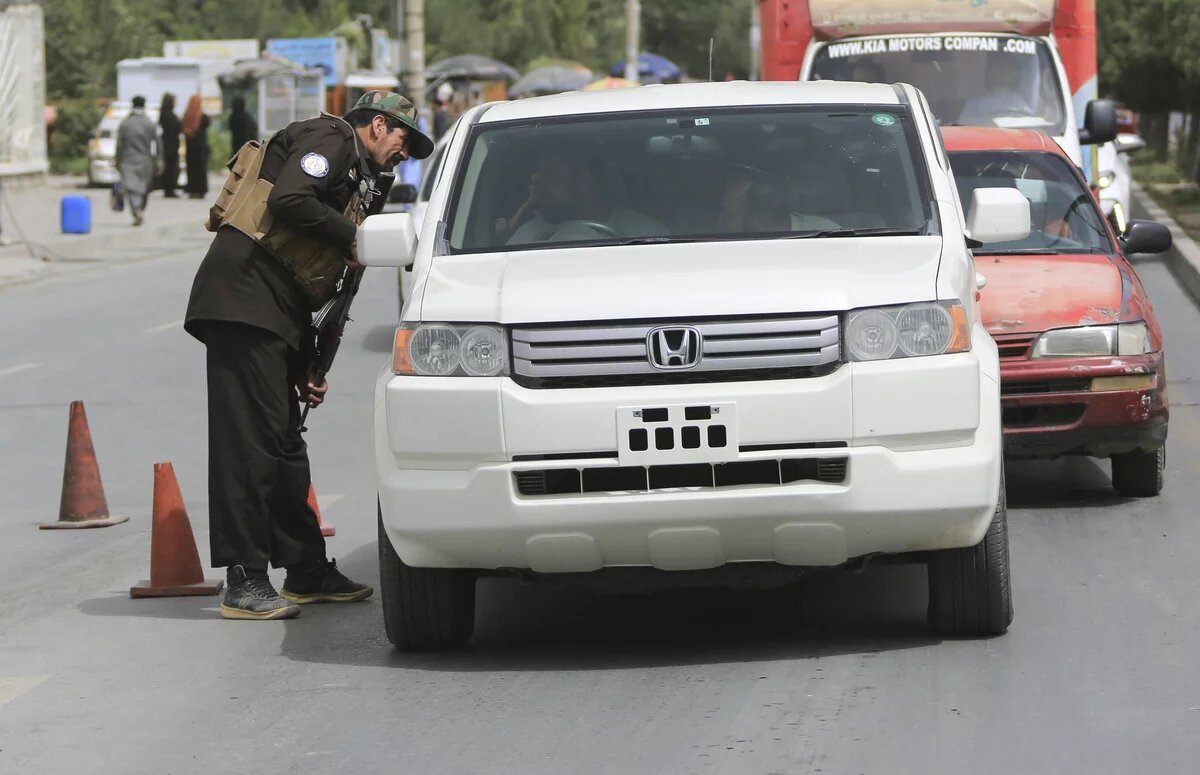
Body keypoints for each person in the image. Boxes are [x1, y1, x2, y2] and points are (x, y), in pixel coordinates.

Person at [184, 91, 434, 621]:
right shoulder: (332, 139)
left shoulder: (366, 183)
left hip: (279, 311)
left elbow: (340, 285)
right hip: (243, 299)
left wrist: (311, 366)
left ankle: (305, 569)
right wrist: (357, 236)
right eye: (402, 139)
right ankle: (244, 579)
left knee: (283, 444)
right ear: (376, 127)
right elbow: (289, 199)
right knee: (249, 445)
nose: (404, 153)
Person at [503, 149, 665, 244]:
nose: (541, 188)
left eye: (552, 175)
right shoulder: (529, 236)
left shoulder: (645, 232)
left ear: (584, 181)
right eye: (539, 179)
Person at [115, 95, 158, 226]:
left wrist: (117, 160)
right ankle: (139, 210)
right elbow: (157, 143)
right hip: (146, 160)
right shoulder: (149, 123)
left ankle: (137, 210)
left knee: (131, 188)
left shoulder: (125, 123)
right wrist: (159, 160)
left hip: (128, 159)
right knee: (143, 188)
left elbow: (119, 144)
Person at [182, 95, 210, 199]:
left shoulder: (186, 116)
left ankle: (192, 190)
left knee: (191, 168)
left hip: (190, 146)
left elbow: (183, 128)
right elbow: (207, 124)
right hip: (200, 146)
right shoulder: (202, 117)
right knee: (201, 168)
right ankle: (200, 190)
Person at [158, 93, 181, 198]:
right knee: (171, 168)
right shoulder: (169, 116)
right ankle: (169, 189)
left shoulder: (165, 114)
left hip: (169, 144)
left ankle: (169, 189)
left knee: (171, 168)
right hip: (170, 145)